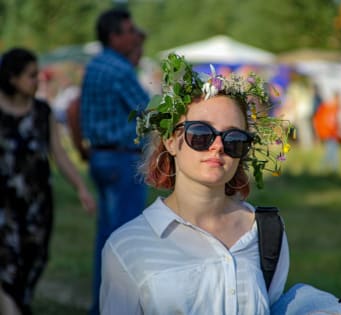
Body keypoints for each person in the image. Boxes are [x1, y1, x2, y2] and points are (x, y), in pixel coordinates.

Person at [100, 53, 294, 314]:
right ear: (170, 141)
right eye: (200, 133)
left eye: (233, 137)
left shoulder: (266, 231)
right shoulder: (127, 246)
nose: (218, 145)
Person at [0, 48, 96, 315]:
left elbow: (60, 154)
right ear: (12, 78)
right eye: (31, 75)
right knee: (7, 263)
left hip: (37, 202)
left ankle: (20, 305)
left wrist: (81, 187)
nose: (38, 80)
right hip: (4, 206)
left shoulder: (42, 112)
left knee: (35, 259)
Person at [80, 8, 150, 315]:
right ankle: (115, 308)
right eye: (130, 31)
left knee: (107, 239)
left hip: (100, 157)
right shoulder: (120, 70)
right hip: (123, 160)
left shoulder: (95, 65)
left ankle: (101, 305)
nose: (135, 35)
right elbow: (149, 111)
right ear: (114, 36)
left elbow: (75, 111)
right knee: (125, 243)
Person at [313, 92, 341, 173]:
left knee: (332, 151)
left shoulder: (334, 108)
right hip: (328, 133)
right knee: (331, 152)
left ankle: (332, 169)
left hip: (332, 134)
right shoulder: (327, 108)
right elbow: (323, 121)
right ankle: (326, 168)